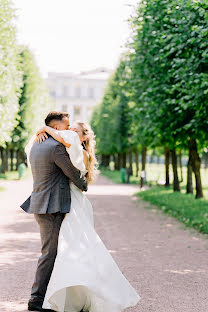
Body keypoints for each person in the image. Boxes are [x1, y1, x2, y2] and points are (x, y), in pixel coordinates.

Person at [33, 120, 141, 312]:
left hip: (73, 202)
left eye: (75, 130)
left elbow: (73, 173)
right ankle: (68, 295)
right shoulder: (68, 146)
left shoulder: (79, 151)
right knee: (69, 248)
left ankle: (75, 293)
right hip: (67, 200)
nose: (70, 132)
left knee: (73, 247)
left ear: (83, 137)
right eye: (69, 129)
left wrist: (45, 128)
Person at [20, 111, 88, 312]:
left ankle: (47, 297)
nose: (69, 130)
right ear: (56, 127)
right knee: (49, 253)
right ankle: (36, 299)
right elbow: (72, 173)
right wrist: (83, 184)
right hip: (52, 206)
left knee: (51, 252)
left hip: (41, 203)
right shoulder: (57, 148)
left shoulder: (36, 145)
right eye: (66, 126)